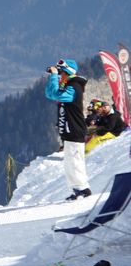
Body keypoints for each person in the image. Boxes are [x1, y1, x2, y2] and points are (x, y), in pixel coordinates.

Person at [44, 59, 91, 200]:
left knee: (75, 161)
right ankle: (77, 190)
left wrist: (53, 76)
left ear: (68, 72)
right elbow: (49, 93)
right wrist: (53, 77)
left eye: (62, 72)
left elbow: (55, 95)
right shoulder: (68, 85)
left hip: (75, 130)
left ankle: (83, 189)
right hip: (69, 131)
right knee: (70, 163)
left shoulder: (75, 86)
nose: (60, 75)